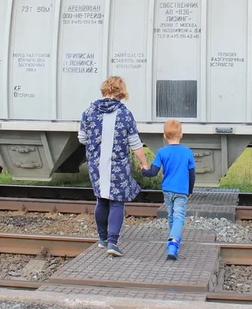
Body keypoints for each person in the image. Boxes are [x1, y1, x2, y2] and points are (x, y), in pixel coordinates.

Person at [78, 76, 148, 257]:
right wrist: (144, 162)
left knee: (101, 200)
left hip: (96, 164)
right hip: (118, 165)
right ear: (121, 91)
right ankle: (113, 242)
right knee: (117, 202)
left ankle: (102, 239)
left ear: (104, 90)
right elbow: (135, 143)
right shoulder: (125, 114)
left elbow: (82, 138)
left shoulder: (89, 111)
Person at [141, 119, 195, 260]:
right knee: (179, 216)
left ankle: (173, 239)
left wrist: (143, 170)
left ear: (164, 136)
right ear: (181, 134)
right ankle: (174, 241)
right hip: (182, 190)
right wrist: (190, 190)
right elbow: (192, 174)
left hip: (167, 190)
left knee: (171, 215)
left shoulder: (162, 152)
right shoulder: (187, 152)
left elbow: (153, 172)